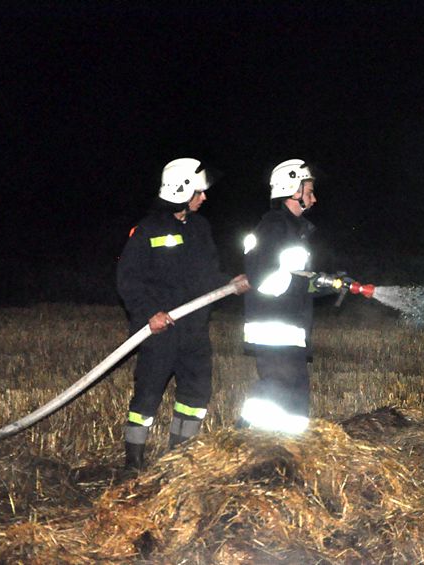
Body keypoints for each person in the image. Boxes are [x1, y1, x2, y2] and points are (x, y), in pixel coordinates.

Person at [117, 157, 249, 470]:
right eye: (199, 192)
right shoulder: (147, 230)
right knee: (147, 396)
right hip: (160, 331)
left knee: (196, 394)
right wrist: (150, 314)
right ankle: (133, 463)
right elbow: (128, 280)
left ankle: (179, 459)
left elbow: (207, 276)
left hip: (194, 329)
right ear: (181, 190)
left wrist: (229, 284)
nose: (204, 197)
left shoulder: (201, 228)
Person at [239, 159, 342, 434]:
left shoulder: (294, 231)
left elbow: (294, 277)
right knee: (278, 392)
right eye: (309, 191)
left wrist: (325, 283)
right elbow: (266, 280)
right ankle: (241, 437)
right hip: (275, 328)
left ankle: (289, 455)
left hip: (288, 327)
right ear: (293, 191)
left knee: (294, 399)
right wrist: (313, 285)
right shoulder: (274, 228)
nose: (314, 198)